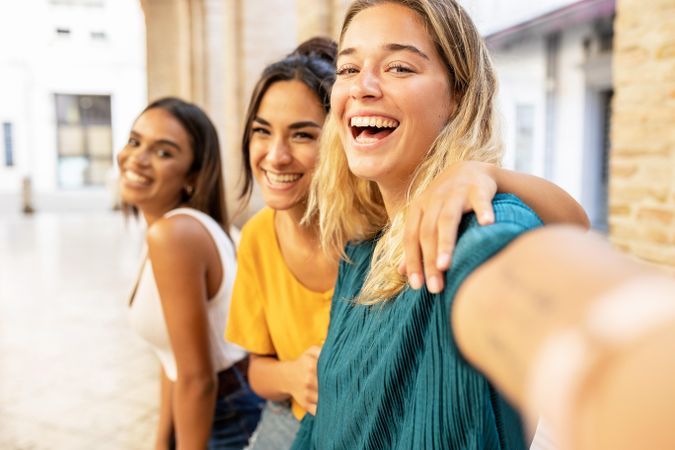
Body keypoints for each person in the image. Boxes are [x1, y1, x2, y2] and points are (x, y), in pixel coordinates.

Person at [291, 1, 675, 449]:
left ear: (459, 95)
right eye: (349, 68)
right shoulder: (359, 253)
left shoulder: (473, 228)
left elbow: (539, 288)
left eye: (398, 67)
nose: (364, 87)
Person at [226, 36, 588, 449]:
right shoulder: (323, 243)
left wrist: (485, 173)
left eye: (303, 135)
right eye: (350, 70)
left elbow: (557, 234)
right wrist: (293, 376)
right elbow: (260, 369)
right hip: (299, 415)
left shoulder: (400, 229)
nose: (276, 156)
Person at [119, 97, 263, 450]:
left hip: (226, 415)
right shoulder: (173, 227)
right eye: (135, 141)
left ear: (193, 176)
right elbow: (174, 361)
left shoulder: (175, 235)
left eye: (164, 152)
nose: (137, 158)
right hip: (218, 406)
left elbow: (198, 380)